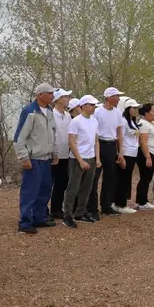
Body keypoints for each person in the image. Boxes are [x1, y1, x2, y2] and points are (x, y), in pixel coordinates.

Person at [14, 83, 58, 234]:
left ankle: (39, 218)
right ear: (40, 95)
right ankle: (25, 223)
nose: (52, 96)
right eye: (50, 93)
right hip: (33, 159)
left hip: (46, 158)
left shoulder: (50, 111)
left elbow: (52, 133)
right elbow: (19, 137)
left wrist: (54, 152)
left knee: (45, 190)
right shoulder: (29, 111)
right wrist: (24, 157)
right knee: (30, 192)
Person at [62, 95, 102, 229]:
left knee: (87, 187)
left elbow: (96, 141)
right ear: (83, 106)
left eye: (94, 105)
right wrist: (80, 160)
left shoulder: (94, 121)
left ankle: (80, 213)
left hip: (91, 158)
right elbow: (72, 142)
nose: (94, 107)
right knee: (73, 188)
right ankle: (67, 215)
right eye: (91, 105)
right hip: (77, 159)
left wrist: (97, 158)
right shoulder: (76, 121)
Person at [92, 87, 126, 218]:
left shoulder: (117, 112)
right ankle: (92, 208)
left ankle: (106, 206)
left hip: (112, 145)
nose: (118, 99)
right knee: (94, 177)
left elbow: (119, 133)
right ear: (109, 98)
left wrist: (120, 151)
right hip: (99, 144)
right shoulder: (97, 112)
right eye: (117, 96)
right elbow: (93, 132)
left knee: (110, 177)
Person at [49, 88, 73, 220]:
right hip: (54, 155)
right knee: (49, 182)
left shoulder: (67, 115)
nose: (68, 99)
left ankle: (56, 209)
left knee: (62, 182)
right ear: (58, 99)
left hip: (66, 154)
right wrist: (54, 152)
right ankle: (44, 210)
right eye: (66, 97)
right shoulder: (51, 115)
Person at [114, 98, 141, 214]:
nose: (135, 110)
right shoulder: (123, 121)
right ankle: (120, 204)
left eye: (136, 108)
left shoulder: (133, 121)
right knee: (122, 179)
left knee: (127, 178)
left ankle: (120, 202)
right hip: (126, 153)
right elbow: (120, 138)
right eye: (133, 108)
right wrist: (121, 154)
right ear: (127, 109)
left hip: (133, 153)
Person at [135, 104, 154, 210]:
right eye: (153, 111)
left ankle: (141, 201)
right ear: (146, 112)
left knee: (147, 178)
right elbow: (143, 142)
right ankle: (142, 202)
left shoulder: (152, 122)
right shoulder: (143, 124)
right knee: (145, 177)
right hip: (147, 153)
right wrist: (148, 157)